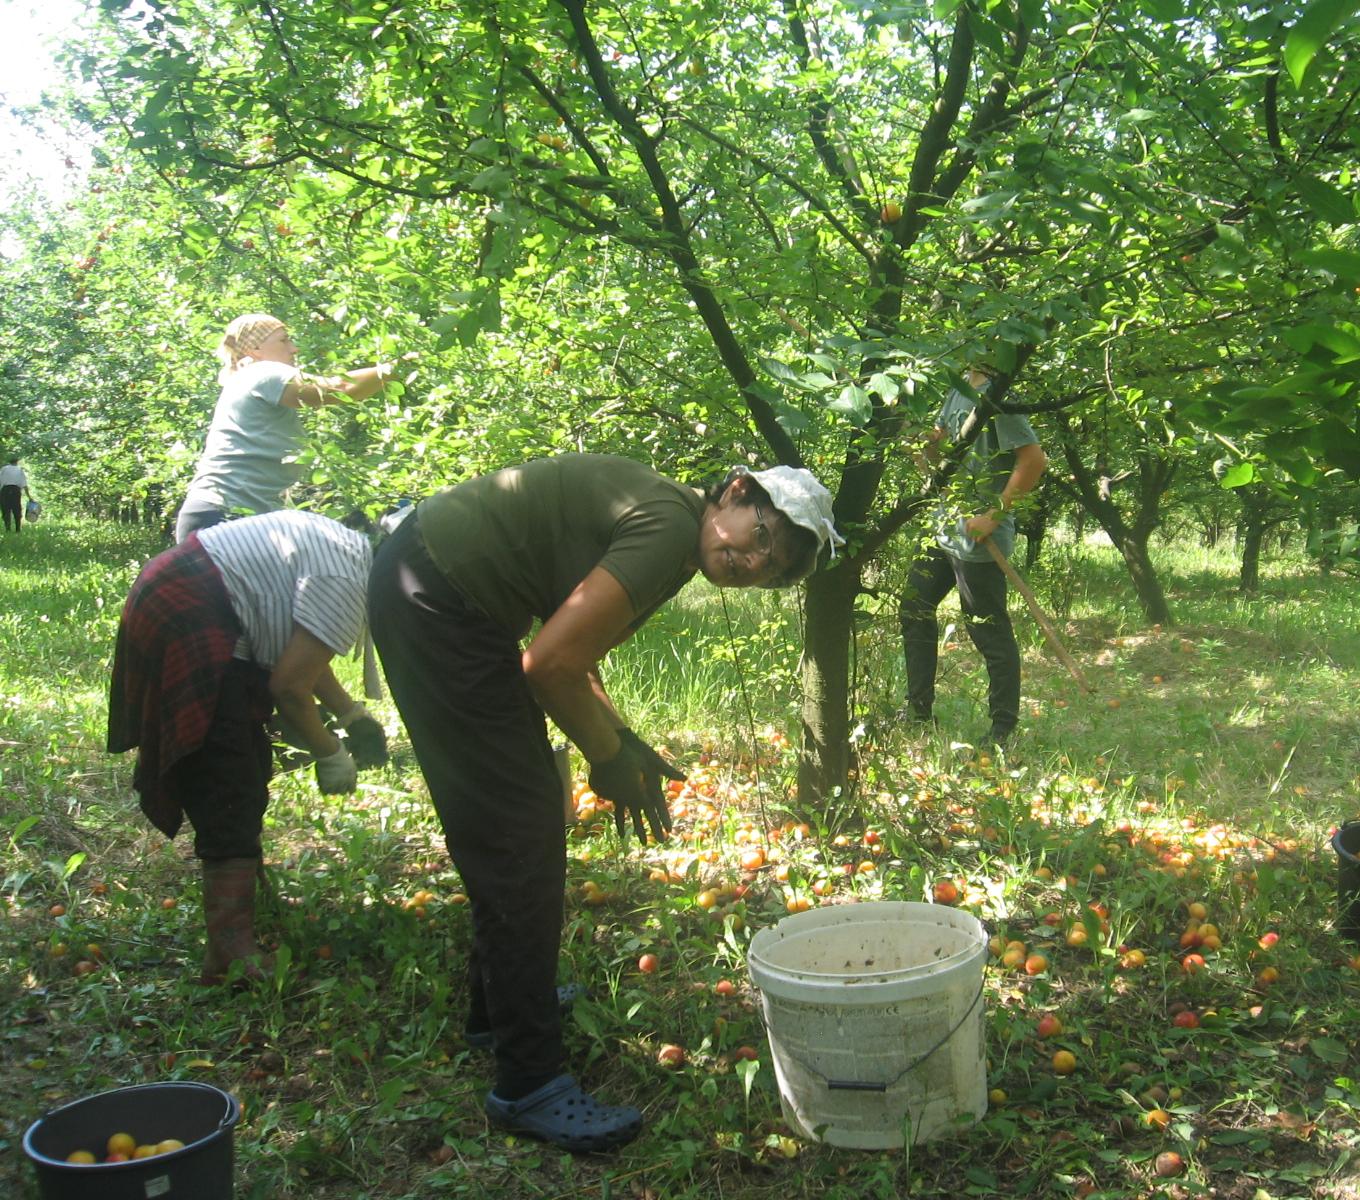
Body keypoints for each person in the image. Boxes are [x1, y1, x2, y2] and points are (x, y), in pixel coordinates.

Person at [367, 454, 842, 1152]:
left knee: (518, 814)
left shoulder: (678, 536)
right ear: (738, 493)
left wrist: (622, 739)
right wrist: (606, 758)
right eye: (764, 537)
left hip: (442, 593)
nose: (754, 564)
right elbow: (547, 666)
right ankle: (528, 1083)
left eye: (773, 570)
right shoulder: (667, 529)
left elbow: (571, 654)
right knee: (520, 830)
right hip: (436, 602)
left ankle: (497, 1012)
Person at [107, 509, 389, 983]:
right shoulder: (346, 577)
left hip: (180, 590)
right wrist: (331, 754)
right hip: (188, 608)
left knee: (245, 765)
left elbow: (301, 651)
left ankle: (239, 914)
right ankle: (229, 955)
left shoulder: (343, 550)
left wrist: (349, 714)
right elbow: (289, 688)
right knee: (227, 774)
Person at [899, 365, 1047, 745]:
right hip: (944, 531)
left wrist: (994, 515)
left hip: (979, 541)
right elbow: (940, 450)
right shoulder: (956, 388)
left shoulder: (1000, 395)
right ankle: (917, 711)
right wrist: (921, 445)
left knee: (987, 630)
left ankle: (1003, 728)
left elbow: (1033, 461)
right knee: (914, 607)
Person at [174, 313, 406, 543]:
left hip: (221, 515)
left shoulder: (249, 379)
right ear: (254, 349)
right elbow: (339, 389)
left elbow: (349, 394)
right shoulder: (261, 371)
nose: (293, 349)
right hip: (222, 515)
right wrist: (400, 367)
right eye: (284, 340)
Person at [1, 455, 32, 533]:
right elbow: (24, 484)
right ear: (17, 462)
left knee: (5, 509)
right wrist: (29, 497)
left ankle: (7, 528)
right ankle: (18, 528)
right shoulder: (19, 470)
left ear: (9, 462)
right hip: (15, 490)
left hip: (5, 490)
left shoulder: (4, 469)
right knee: (17, 509)